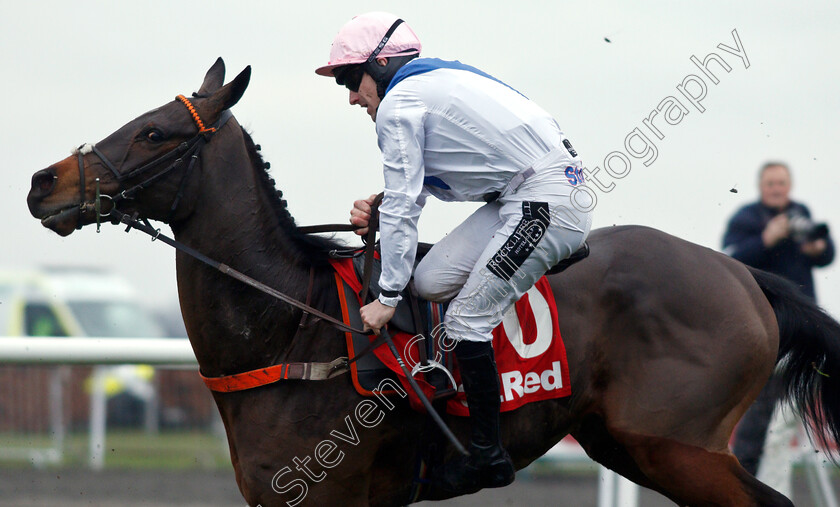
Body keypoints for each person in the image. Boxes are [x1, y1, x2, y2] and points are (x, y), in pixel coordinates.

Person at [316, 12, 592, 492]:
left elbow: (406, 204)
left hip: (540, 201)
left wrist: (384, 298)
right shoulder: (433, 80)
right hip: (523, 195)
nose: (350, 96)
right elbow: (407, 195)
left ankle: (488, 455)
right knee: (426, 281)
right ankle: (544, 253)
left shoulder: (399, 103)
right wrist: (384, 210)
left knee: (465, 319)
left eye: (349, 78)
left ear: (382, 63)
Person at [723, 161, 834, 484]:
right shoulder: (747, 218)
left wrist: (819, 247)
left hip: (801, 333)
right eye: (771, 183)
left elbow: (827, 254)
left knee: (779, 427)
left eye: (781, 183)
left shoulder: (801, 211)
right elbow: (730, 258)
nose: (776, 188)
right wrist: (767, 239)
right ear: (761, 186)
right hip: (763, 329)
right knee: (757, 422)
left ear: (789, 186)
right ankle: (748, 488)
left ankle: (765, 491)